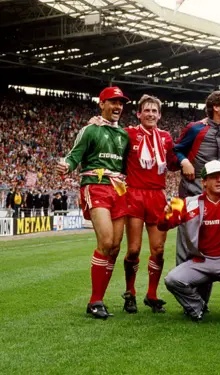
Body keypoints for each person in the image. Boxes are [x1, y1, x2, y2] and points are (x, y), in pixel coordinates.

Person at [55, 86, 130, 319]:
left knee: (116, 247)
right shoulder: (90, 130)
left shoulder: (125, 135)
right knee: (106, 241)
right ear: (102, 104)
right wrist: (66, 165)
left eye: (121, 103)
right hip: (95, 184)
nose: (118, 107)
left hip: (120, 188)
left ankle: (99, 299)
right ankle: (94, 300)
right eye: (113, 102)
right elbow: (74, 154)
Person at [159, 160, 220, 322]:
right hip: (201, 260)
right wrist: (166, 213)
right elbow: (162, 225)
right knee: (172, 280)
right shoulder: (186, 202)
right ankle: (196, 307)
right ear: (204, 182)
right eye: (214, 177)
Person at [121, 94, 178, 314]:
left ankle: (152, 294)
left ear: (160, 115)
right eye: (147, 110)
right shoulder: (129, 134)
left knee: (158, 249)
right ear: (139, 113)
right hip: (134, 194)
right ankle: (130, 292)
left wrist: (184, 159)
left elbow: (173, 163)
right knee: (134, 249)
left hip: (157, 196)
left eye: (155, 111)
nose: (151, 114)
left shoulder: (165, 138)